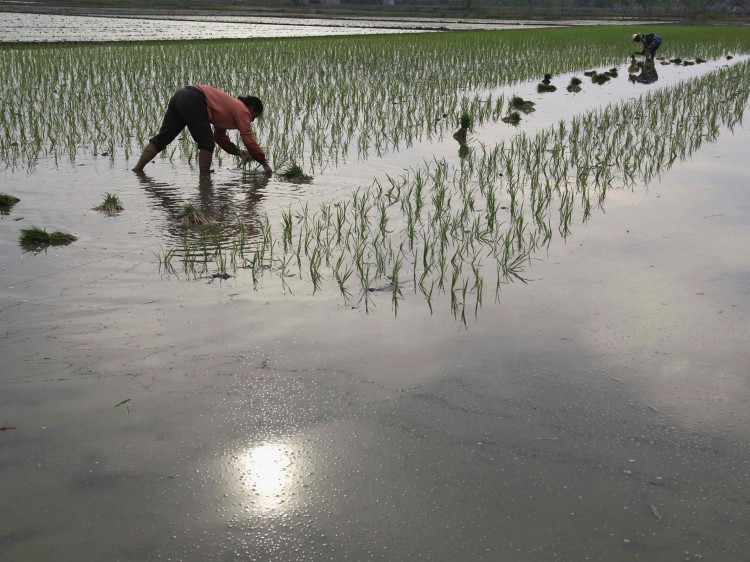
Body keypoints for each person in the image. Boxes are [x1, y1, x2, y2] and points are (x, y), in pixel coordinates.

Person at [132, 84, 272, 175]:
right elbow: (247, 137)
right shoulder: (242, 110)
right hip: (195, 98)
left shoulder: (229, 108)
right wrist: (264, 163)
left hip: (181, 95)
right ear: (252, 108)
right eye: (255, 116)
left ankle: (138, 169)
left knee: (164, 137)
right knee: (206, 143)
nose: (252, 120)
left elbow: (219, 137)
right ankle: (204, 179)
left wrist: (238, 152)